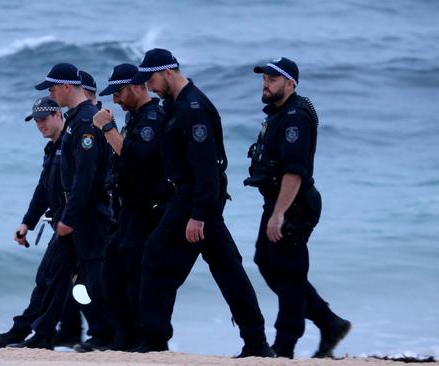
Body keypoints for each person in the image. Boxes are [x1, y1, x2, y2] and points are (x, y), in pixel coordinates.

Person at [130, 49, 273, 357]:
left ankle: (154, 342)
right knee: (227, 268)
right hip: (194, 198)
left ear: (168, 72)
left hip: (195, 199)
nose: (150, 87)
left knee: (155, 257)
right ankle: (257, 343)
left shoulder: (194, 109)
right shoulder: (177, 105)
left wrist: (199, 214)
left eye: (152, 80)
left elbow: (208, 167)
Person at [247, 57, 351, 359]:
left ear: (290, 84)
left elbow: (295, 171)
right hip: (279, 200)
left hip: (294, 203)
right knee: (266, 261)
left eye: (273, 79)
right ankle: (329, 322)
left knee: (289, 271)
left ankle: (285, 346)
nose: (266, 84)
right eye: (264, 79)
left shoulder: (295, 116)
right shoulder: (279, 113)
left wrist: (279, 214)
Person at [11, 63, 113, 350]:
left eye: (53, 88)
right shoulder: (74, 120)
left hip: (88, 214)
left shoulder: (86, 121)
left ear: (67, 87)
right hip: (73, 214)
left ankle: (105, 336)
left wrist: (70, 216)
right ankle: (42, 335)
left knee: (92, 278)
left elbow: (85, 176)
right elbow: (53, 181)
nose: (51, 93)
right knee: (55, 276)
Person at [0, 97, 81, 349]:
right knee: (50, 280)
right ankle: (33, 333)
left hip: (76, 222)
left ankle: (37, 334)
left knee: (66, 282)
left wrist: (69, 219)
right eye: (36, 121)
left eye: (43, 119)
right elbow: (43, 189)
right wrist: (27, 223)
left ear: (58, 115)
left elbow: (84, 185)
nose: (40, 125)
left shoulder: (71, 143)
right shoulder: (52, 148)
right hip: (62, 221)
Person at [92, 63, 166, 351]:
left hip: (147, 207)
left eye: (119, 92)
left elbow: (136, 158)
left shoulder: (152, 117)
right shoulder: (135, 117)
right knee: (113, 270)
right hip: (127, 208)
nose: (116, 100)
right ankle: (123, 336)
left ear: (137, 86)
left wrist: (107, 128)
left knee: (135, 273)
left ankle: (143, 339)